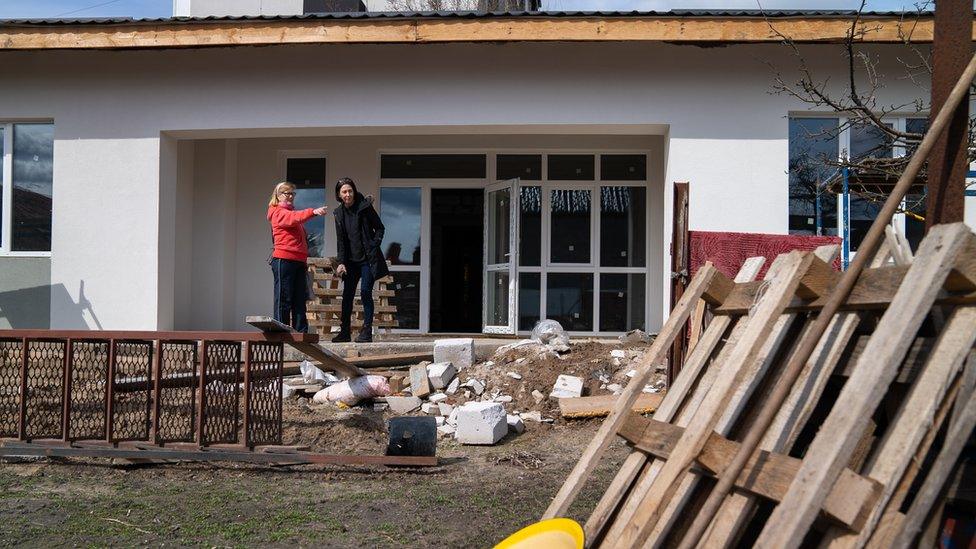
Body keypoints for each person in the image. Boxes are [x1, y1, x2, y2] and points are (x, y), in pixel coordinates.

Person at [333, 177, 389, 343]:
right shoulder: (338, 213)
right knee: (347, 295)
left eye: (350, 191)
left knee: (365, 292)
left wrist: (374, 244)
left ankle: (366, 331)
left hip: (367, 260)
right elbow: (341, 241)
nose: (348, 194)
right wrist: (341, 262)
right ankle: (344, 332)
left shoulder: (364, 207)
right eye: (344, 192)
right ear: (339, 194)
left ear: (354, 191)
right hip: (350, 262)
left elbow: (379, 227)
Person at [267, 181, 327, 333]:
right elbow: (294, 217)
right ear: (278, 196)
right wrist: (313, 212)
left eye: (293, 194)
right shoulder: (277, 212)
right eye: (287, 193)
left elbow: (295, 219)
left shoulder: (290, 213)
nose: (291, 197)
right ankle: (282, 332)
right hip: (284, 260)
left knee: (299, 298)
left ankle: (301, 332)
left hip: (299, 261)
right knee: (284, 297)